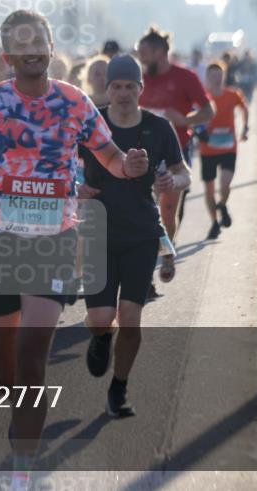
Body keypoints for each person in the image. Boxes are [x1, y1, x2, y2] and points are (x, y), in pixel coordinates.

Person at [0, 10, 149, 486]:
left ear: (52, 49)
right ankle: (21, 419)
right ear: (8, 55)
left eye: (41, 40)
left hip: (54, 239)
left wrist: (128, 166)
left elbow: (109, 155)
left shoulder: (74, 102)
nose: (33, 49)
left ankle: (22, 468)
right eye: (21, 42)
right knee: (6, 363)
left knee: (34, 356)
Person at [78, 55, 190, 417]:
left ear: (141, 89)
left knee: (130, 317)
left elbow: (183, 172)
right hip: (97, 231)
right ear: (106, 89)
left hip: (141, 233)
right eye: (116, 86)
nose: (123, 93)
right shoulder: (91, 126)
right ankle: (99, 338)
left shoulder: (158, 128)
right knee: (100, 317)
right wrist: (77, 187)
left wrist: (173, 182)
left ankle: (119, 387)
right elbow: (64, 168)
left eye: (130, 86)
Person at [136, 27, 214, 300]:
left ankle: (167, 253)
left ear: (161, 52)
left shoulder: (185, 77)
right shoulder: (137, 80)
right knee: (143, 217)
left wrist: (184, 120)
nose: (141, 58)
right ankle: (144, 279)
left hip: (175, 155)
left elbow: (208, 111)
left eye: (145, 53)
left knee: (167, 214)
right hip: (141, 158)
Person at [200, 60, 249, 239]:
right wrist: (198, 132)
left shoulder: (233, 94)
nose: (216, 80)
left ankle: (223, 204)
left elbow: (245, 108)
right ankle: (214, 222)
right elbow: (192, 114)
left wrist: (245, 127)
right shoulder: (203, 98)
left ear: (224, 76)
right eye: (213, 76)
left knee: (225, 184)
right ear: (207, 78)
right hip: (208, 149)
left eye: (219, 76)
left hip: (229, 147)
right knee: (209, 189)